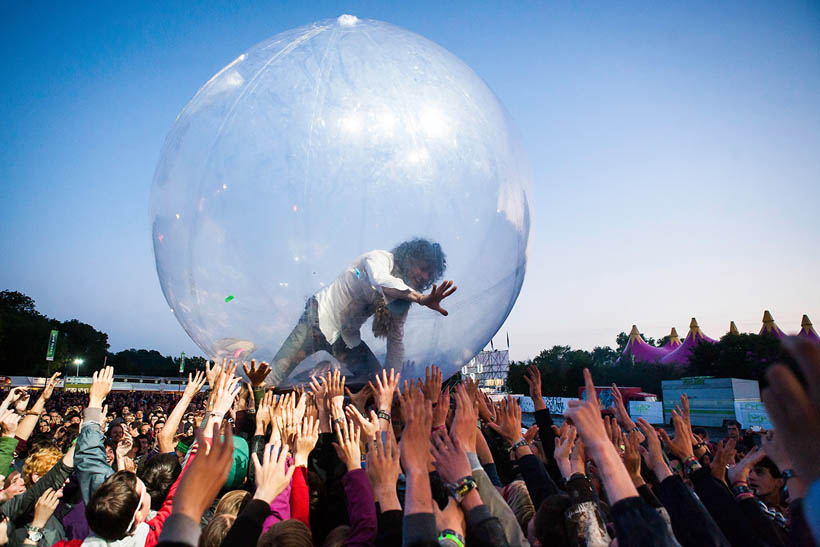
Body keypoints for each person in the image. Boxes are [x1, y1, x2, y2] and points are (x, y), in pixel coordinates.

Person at [267, 238, 456, 387]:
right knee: (273, 376)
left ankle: (335, 395)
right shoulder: (379, 258)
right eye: (423, 269)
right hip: (316, 320)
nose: (424, 277)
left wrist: (391, 385)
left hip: (345, 338)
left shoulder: (401, 300)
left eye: (429, 276)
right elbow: (380, 281)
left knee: (376, 381)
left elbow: (395, 341)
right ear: (409, 258)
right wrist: (420, 298)